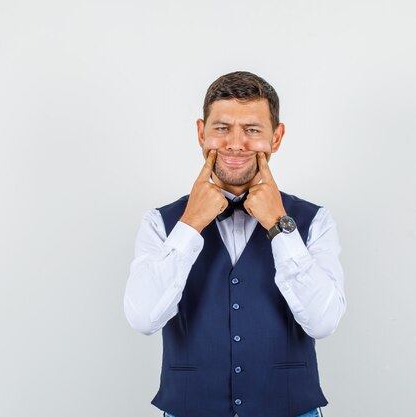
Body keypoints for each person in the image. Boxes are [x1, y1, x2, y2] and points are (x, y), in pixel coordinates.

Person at [124, 71, 346, 417]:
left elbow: (323, 322)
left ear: (277, 137)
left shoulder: (313, 220)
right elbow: (142, 318)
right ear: (201, 133)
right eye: (222, 128)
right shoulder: (161, 222)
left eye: (252, 130)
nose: (235, 144)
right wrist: (191, 223)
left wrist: (278, 224)